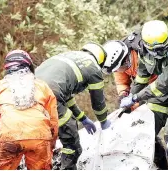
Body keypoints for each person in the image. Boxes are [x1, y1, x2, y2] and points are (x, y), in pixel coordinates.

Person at [118, 20, 168, 170]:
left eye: (161, 49)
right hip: (162, 96)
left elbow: (162, 85)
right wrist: (130, 97)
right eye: (154, 50)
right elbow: (141, 78)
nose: (157, 54)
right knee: (145, 131)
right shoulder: (143, 50)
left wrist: (136, 98)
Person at [0, 50, 59, 170]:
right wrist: (50, 144)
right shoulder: (42, 86)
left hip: (7, 137)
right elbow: (53, 121)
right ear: (29, 66)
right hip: (40, 137)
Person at [34, 42, 112, 170]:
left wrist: (82, 118)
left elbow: (66, 95)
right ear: (101, 61)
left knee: (36, 137)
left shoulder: (68, 56)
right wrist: (103, 121)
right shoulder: (93, 68)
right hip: (50, 95)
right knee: (72, 143)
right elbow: (98, 103)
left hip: (27, 92)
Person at [102, 40, 157, 112]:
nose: (116, 72)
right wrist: (123, 95)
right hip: (146, 90)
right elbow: (122, 83)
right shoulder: (119, 63)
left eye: (116, 70)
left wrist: (137, 99)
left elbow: (161, 83)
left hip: (160, 85)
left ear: (124, 62)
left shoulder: (140, 54)